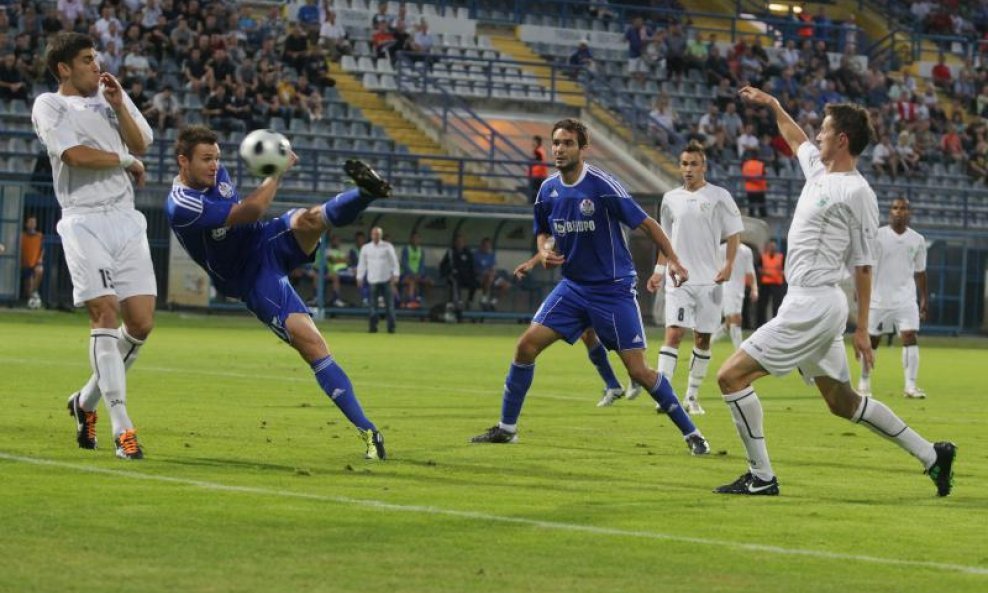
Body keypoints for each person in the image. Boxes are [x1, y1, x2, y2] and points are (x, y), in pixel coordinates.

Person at [713, 86, 955, 497]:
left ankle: (762, 476)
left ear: (842, 139)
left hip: (815, 303)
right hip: (804, 299)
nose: (818, 136)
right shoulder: (819, 171)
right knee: (843, 403)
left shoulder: (858, 192)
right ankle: (933, 455)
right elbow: (795, 138)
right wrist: (773, 104)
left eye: (824, 131)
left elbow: (863, 264)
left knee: (730, 376)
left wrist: (862, 328)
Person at [471, 118, 710, 456]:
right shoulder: (547, 189)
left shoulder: (602, 186)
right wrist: (543, 250)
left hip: (612, 290)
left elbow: (647, 223)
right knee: (525, 347)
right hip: (572, 288)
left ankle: (692, 433)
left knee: (639, 371)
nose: (559, 149)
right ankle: (507, 429)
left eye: (567, 143)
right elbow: (541, 231)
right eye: (556, 142)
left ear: (583, 149)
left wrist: (673, 259)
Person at [165, 125, 392, 459]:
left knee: (310, 219)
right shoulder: (182, 205)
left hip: (264, 239)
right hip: (249, 277)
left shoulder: (216, 175)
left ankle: (367, 192)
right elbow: (250, 211)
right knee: (312, 344)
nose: (215, 165)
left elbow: (254, 220)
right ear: (183, 162)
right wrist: (275, 172)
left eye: (217, 158)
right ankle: (370, 432)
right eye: (206, 159)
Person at [32, 32, 155, 460]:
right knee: (105, 312)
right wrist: (123, 160)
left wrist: (120, 104)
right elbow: (74, 155)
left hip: (126, 218)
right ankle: (124, 430)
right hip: (84, 219)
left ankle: (83, 404)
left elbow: (142, 143)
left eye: (95, 56)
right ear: (64, 68)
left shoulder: (110, 96)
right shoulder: (50, 105)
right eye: (86, 59)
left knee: (140, 324)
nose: (95, 64)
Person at [626, 141, 743, 416]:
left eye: (694, 164)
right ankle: (664, 395)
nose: (688, 169)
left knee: (702, 340)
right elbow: (664, 240)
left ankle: (691, 396)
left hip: (710, 281)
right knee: (674, 333)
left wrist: (728, 265)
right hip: (679, 279)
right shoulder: (670, 199)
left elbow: (734, 232)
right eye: (684, 164)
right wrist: (658, 271)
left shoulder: (719, 196)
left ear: (704, 167)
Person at [514, 254, 625, 407]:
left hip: (601, 286)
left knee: (612, 334)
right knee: (588, 335)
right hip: (581, 287)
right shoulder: (564, 233)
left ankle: (635, 374)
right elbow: (551, 243)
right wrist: (533, 262)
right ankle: (614, 384)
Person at [857, 197, 928, 399]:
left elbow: (921, 272)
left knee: (909, 336)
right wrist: (860, 291)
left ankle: (910, 386)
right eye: (895, 208)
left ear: (909, 212)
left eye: (903, 208)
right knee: (872, 341)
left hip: (905, 298)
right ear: (890, 212)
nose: (899, 211)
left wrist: (924, 300)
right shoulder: (877, 236)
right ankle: (864, 382)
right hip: (878, 298)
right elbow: (864, 265)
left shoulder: (917, 240)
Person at [357, 226, 399, 334]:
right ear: (371, 235)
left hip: (386, 279)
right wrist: (359, 277)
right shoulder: (366, 248)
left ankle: (391, 328)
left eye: (378, 234)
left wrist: (396, 275)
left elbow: (394, 262)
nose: (376, 236)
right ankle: (373, 327)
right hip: (372, 279)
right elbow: (362, 264)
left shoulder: (387, 246)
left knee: (389, 305)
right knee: (372, 306)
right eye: (374, 234)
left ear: (381, 235)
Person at [439, 233, 478, 322]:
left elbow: (472, 267)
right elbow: (443, 265)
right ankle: (458, 305)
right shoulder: (450, 252)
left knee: (475, 283)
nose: (460, 243)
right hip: (454, 277)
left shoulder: (468, 253)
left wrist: (472, 275)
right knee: (455, 283)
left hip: (465, 277)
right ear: (455, 242)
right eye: (458, 241)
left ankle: (470, 301)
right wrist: (446, 273)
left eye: (461, 241)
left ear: (464, 243)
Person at [474, 237, 510, 311]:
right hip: (479, 277)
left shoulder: (491, 255)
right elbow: (474, 269)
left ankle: (493, 303)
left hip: (492, 277)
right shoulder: (476, 255)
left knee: (506, 285)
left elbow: (493, 268)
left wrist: (492, 273)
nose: (487, 248)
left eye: (488, 246)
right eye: (485, 246)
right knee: (489, 277)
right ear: (482, 246)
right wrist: (485, 273)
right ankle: (483, 299)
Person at [756, 238, 785, 327]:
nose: (772, 248)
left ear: (776, 247)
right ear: (768, 247)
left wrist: (768, 273)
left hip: (777, 284)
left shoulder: (781, 257)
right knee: (762, 305)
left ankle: (775, 324)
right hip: (766, 284)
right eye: (771, 246)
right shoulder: (762, 257)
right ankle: (761, 324)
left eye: (774, 246)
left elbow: (784, 271)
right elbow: (760, 270)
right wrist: (772, 274)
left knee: (777, 305)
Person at [400, 231, 431, 308]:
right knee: (412, 281)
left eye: (417, 238)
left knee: (429, 282)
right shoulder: (406, 249)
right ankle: (410, 301)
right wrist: (412, 274)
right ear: (410, 239)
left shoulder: (421, 251)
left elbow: (422, 265)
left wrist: (420, 274)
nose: (415, 240)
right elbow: (404, 263)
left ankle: (423, 301)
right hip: (406, 274)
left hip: (418, 275)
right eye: (414, 238)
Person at [20, 214, 44, 309]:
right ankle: (31, 299)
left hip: (35, 262)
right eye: (30, 222)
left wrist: (40, 259)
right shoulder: (22, 236)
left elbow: (42, 249)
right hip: (25, 263)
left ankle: (34, 293)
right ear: (26, 224)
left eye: (34, 222)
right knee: (28, 283)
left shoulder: (39, 236)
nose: (33, 224)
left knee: (39, 270)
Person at [741, 150, 767, 218]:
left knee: (751, 204)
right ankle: (763, 216)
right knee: (761, 205)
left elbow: (744, 175)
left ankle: (751, 215)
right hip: (760, 188)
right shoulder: (761, 164)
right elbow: (764, 173)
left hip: (749, 188)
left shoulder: (746, 164)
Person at [527, 135, 548, 204]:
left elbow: (539, 164)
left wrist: (530, 172)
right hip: (540, 175)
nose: (532, 143)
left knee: (534, 194)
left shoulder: (538, 151)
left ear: (538, 142)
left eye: (534, 141)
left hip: (537, 176)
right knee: (538, 194)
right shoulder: (540, 150)